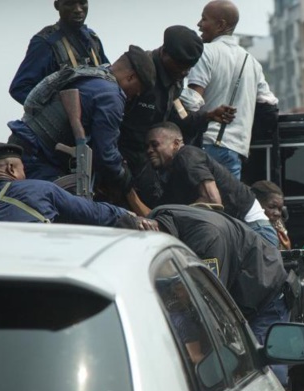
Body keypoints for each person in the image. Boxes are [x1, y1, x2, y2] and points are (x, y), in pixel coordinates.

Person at [145, 203, 291, 384]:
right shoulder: (157, 219)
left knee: (267, 376)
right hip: (239, 290)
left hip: (264, 294)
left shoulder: (206, 239)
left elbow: (208, 302)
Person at [7, 45, 155, 215]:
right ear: (131, 77)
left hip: (22, 146)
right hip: (37, 157)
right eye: (137, 91)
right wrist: (125, 179)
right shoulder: (112, 95)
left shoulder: (92, 73)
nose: (134, 97)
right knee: (55, 217)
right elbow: (106, 155)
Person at [118, 25, 234, 207]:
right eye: (181, 65)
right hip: (127, 159)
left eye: (189, 67)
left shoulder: (174, 81)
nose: (185, 72)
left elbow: (175, 124)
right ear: (165, 52)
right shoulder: (143, 74)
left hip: (152, 159)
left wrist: (207, 116)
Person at [184, 0, 279, 179]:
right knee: (230, 204)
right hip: (236, 151)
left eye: (204, 19)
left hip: (206, 146)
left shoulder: (205, 52)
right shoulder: (252, 62)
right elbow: (269, 105)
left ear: (220, 25)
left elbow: (193, 101)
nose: (199, 25)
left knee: (202, 205)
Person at [0, 142, 154, 230]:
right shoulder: (40, 189)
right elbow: (93, 213)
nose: (25, 175)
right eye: (23, 170)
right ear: (12, 169)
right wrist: (128, 215)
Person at [146, 122, 278, 246]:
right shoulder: (172, 176)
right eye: (147, 146)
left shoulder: (186, 155)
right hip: (242, 234)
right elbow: (156, 216)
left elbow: (213, 201)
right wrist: (130, 192)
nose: (149, 150)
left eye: (155, 144)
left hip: (255, 232)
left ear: (175, 144)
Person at [10, 0, 109, 104]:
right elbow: (20, 88)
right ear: (57, 6)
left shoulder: (92, 38)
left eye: (82, 2)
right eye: (70, 3)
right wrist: (59, 110)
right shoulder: (46, 42)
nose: (78, 9)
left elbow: (110, 77)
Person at [251, 180, 291, 250]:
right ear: (257, 205)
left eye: (280, 209)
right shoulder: (253, 229)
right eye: (272, 207)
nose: (277, 213)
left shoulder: (280, 227)